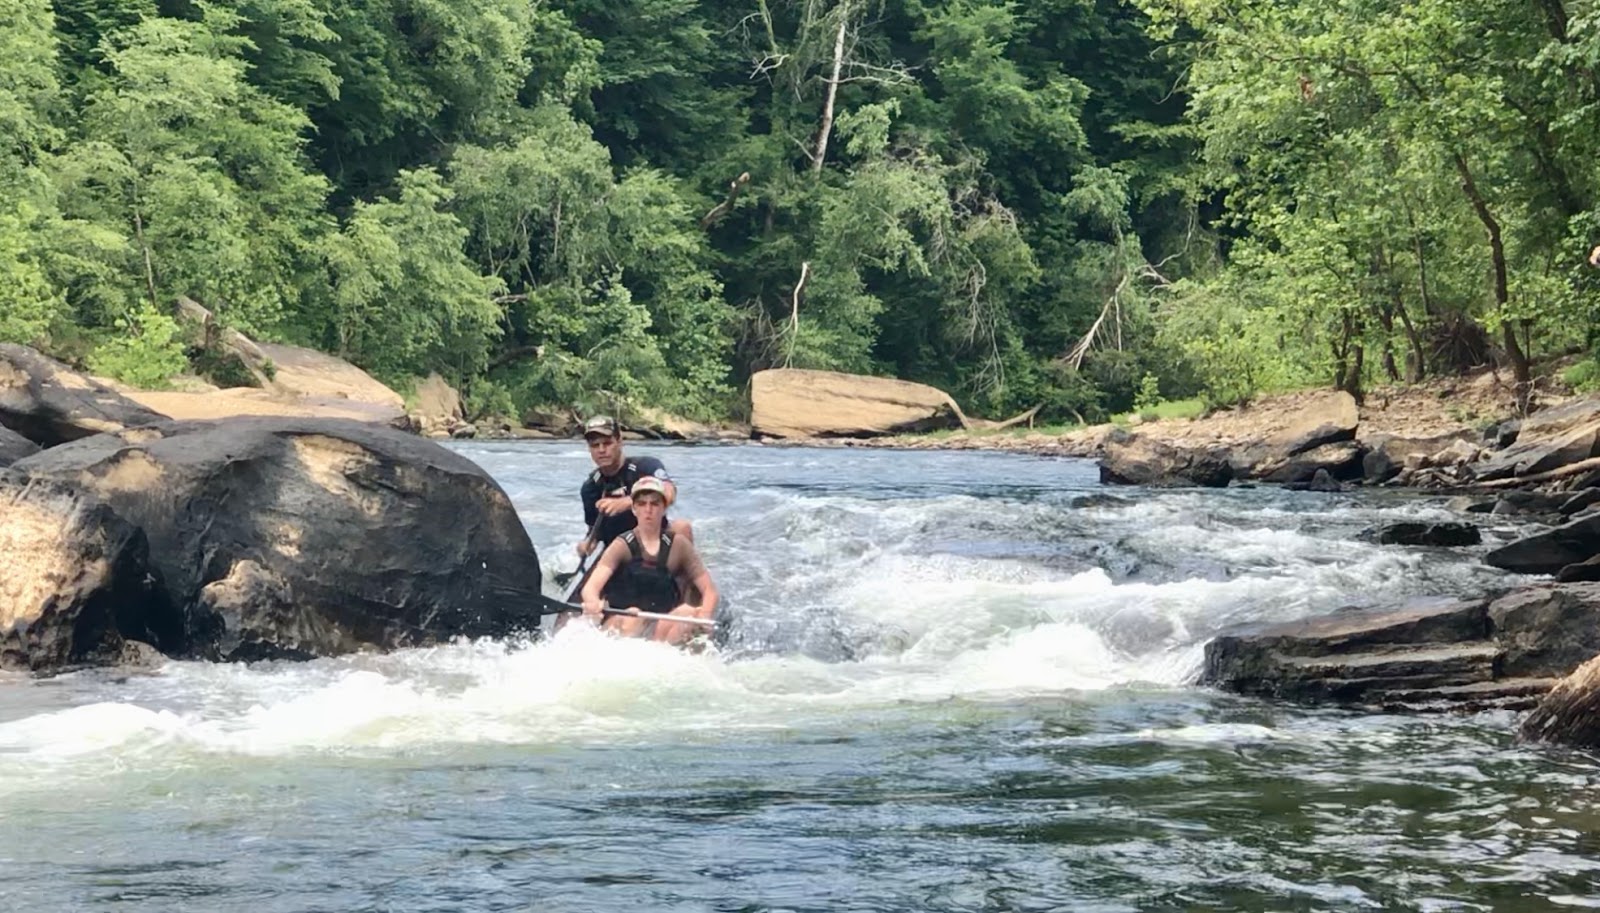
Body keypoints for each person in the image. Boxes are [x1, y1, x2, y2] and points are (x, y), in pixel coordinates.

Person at [579, 476, 718, 645]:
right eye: (642, 504)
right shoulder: (622, 545)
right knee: (633, 616)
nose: (648, 510)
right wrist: (593, 602)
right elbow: (591, 587)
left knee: (687, 612)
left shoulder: (679, 545)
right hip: (623, 621)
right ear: (634, 509)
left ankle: (665, 655)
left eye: (654, 504)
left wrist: (705, 615)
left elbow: (709, 591)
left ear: (664, 508)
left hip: (660, 624)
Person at [577, 415, 692, 559]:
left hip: (655, 541)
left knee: (682, 527)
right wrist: (588, 544)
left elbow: (669, 493)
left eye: (607, 443)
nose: (601, 450)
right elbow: (594, 531)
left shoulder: (646, 466)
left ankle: (685, 578)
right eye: (595, 445)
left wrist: (628, 502)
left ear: (619, 442)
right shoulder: (590, 488)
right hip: (618, 551)